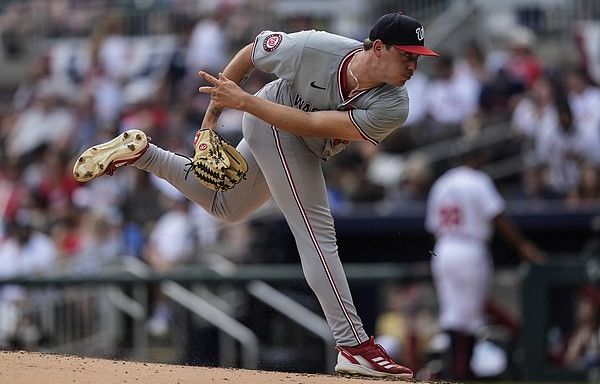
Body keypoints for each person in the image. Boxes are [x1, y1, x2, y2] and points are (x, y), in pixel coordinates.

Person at [73, 12, 438, 378]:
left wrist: (245, 103)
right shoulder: (315, 46)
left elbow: (311, 124)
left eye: (417, 57)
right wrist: (208, 125)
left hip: (288, 128)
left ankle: (145, 154)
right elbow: (251, 53)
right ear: (377, 47)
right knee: (316, 232)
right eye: (407, 55)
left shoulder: (394, 104)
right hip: (271, 121)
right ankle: (354, 345)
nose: (413, 64)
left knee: (225, 206)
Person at [425, 139, 546, 380]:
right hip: (470, 248)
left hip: (444, 249)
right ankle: (458, 375)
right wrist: (523, 246)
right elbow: (498, 216)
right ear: (474, 158)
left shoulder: (441, 183)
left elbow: (432, 227)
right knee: (466, 321)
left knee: (453, 316)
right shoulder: (478, 181)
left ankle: (458, 372)